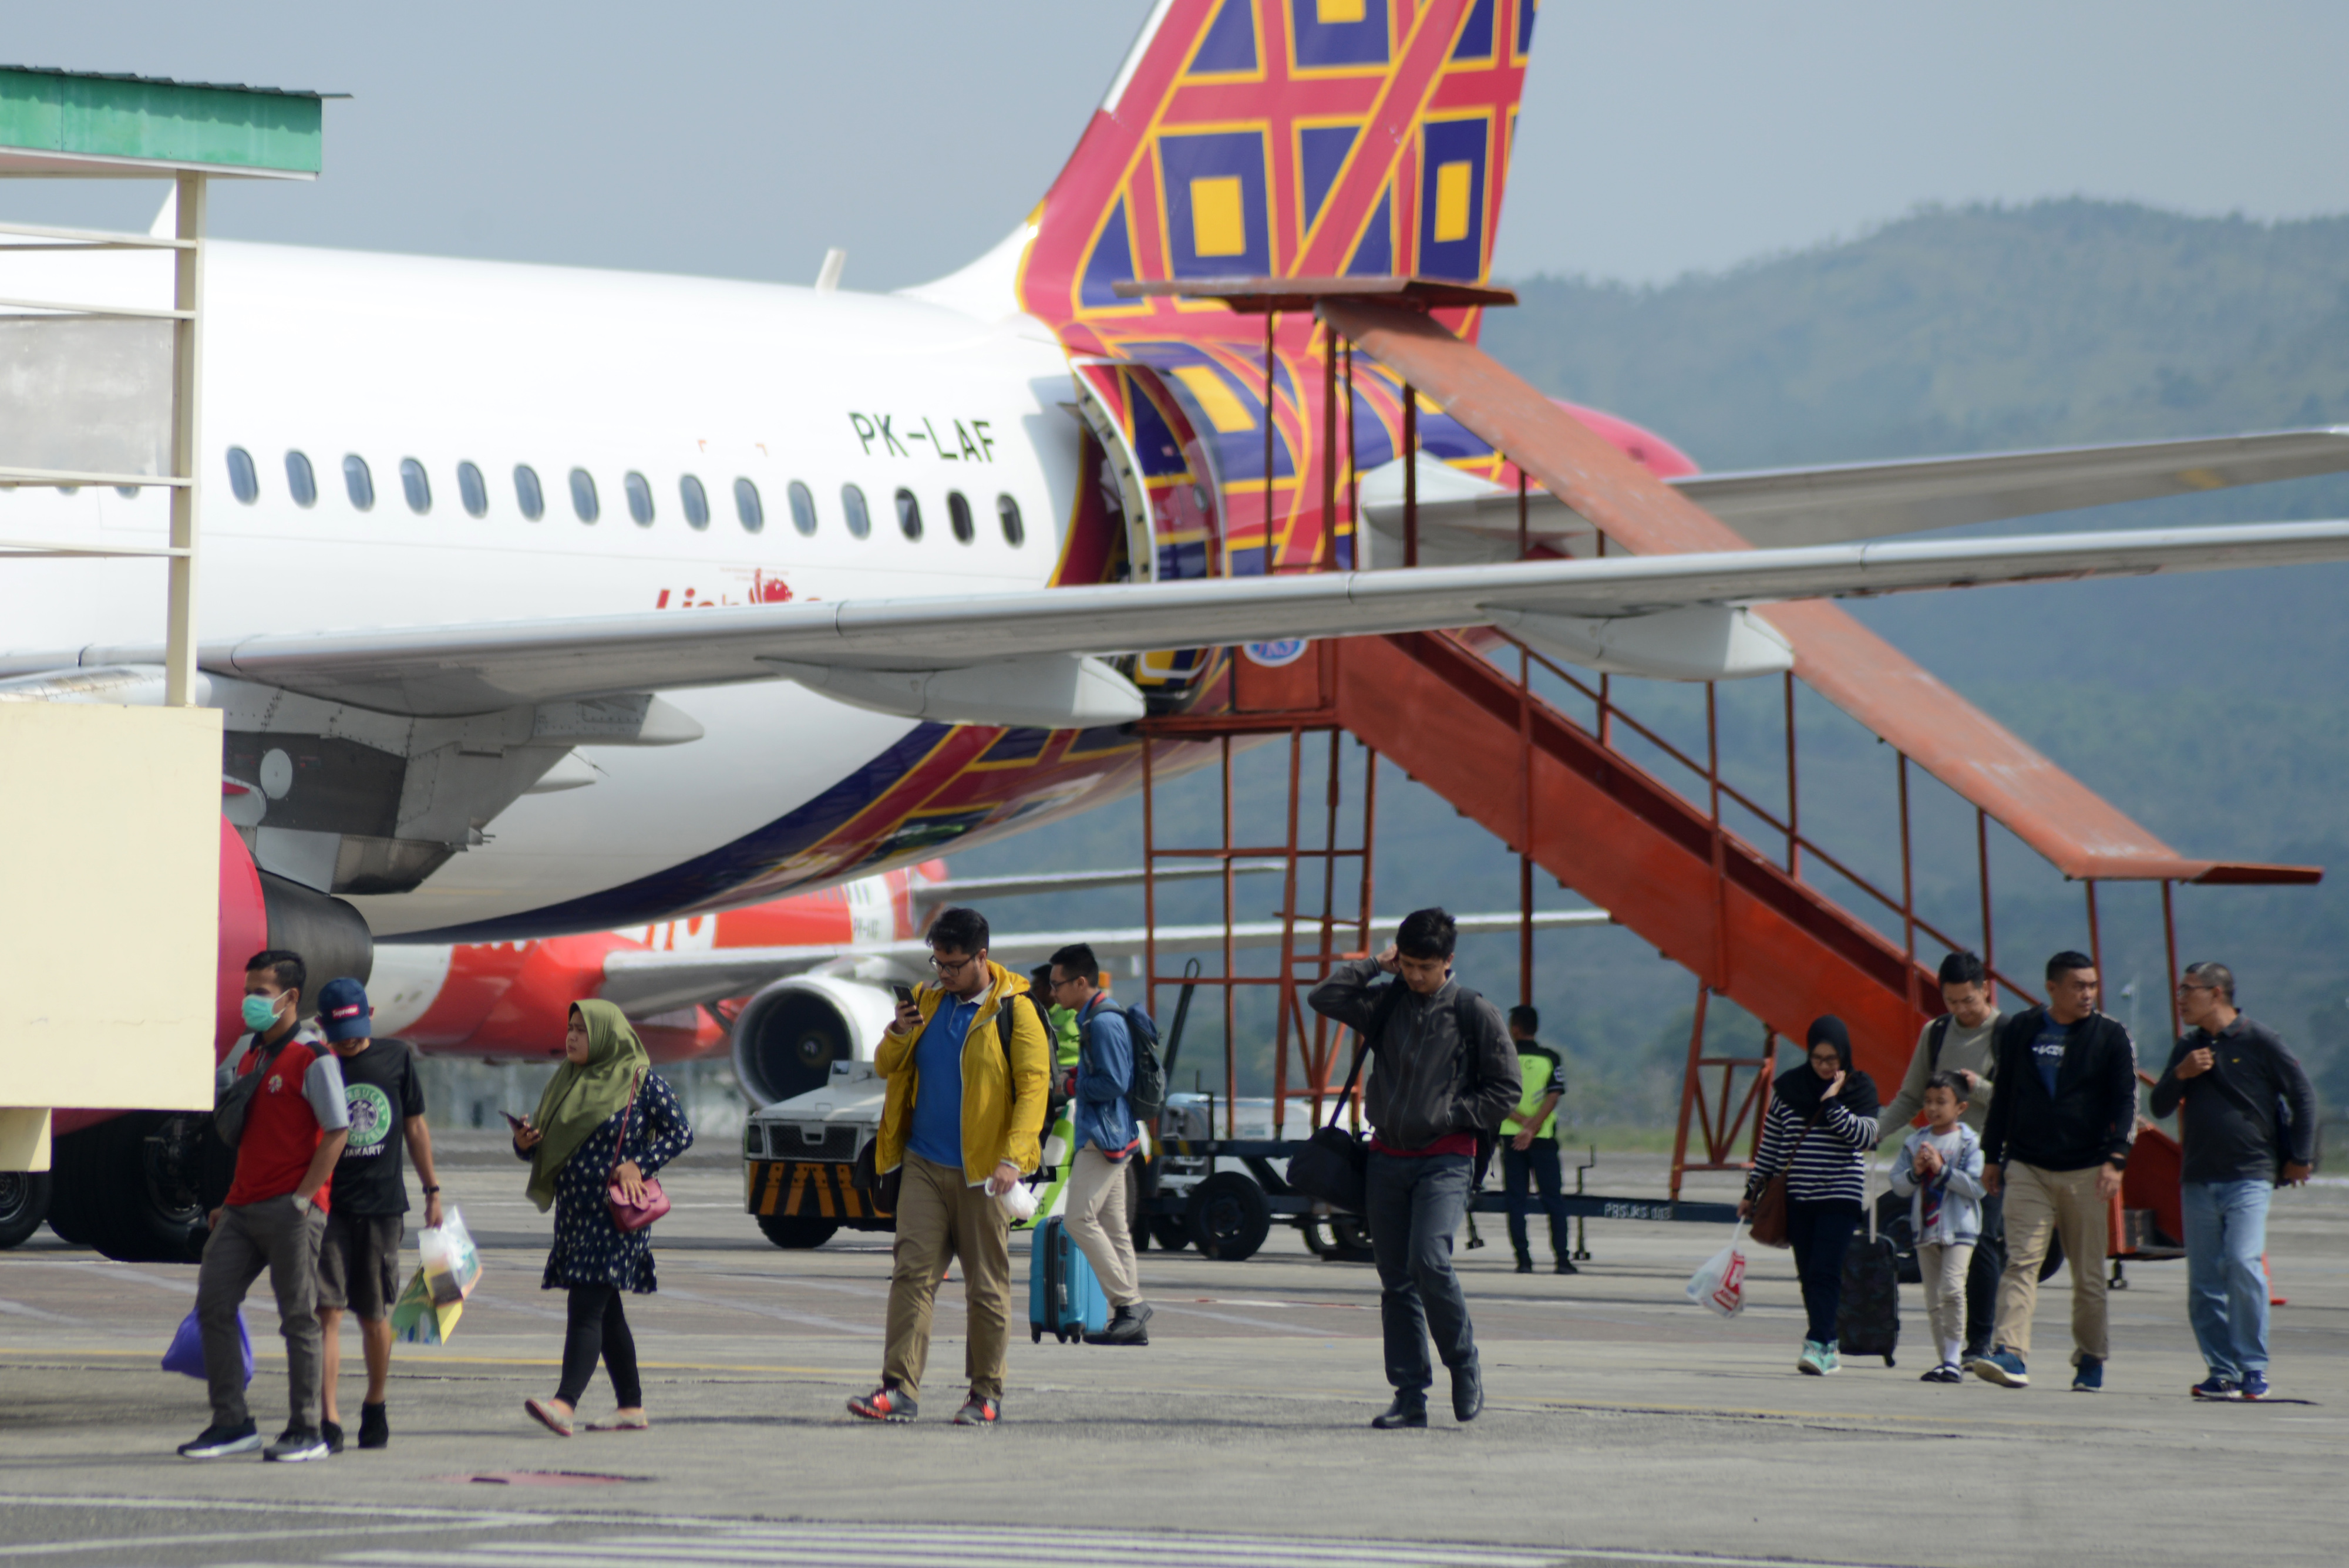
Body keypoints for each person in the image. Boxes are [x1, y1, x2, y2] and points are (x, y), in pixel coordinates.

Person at [1307, 908, 1520, 1430]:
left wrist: (1451, 1115)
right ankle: (1410, 1395)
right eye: (1407, 965)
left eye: (1426, 966)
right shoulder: (1387, 1002)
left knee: (1430, 1261)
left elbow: (1506, 1090)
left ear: (1449, 961)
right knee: (1396, 1280)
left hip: (1446, 1158)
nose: (1416, 976)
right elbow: (1324, 997)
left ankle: (1464, 1364)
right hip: (1386, 1159)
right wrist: (1372, 966)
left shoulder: (1474, 1012)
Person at [849, 906, 1049, 1426]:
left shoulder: (1016, 1010)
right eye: (936, 961)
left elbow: (1033, 1091)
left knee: (986, 1286)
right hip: (921, 1162)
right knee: (911, 1274)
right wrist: (897, 1031)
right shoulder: (925, 1001)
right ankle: (898, 1390)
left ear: (982, 957)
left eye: (954, 964)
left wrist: (1015, 1157)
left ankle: (985, 1395)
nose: (943, 973)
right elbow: (887, 1066)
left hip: (985, 1174)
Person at [179, 950, 351, 1463]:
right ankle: (232, 1422)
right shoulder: (253, 1057)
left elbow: (338, 1131)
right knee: (213, 1304)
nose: (251, 1000)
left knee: (299, 1318)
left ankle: (306, 1428)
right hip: (242, 1207)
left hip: (291, 1210)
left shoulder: (314, 1057)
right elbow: (252, 1140)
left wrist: (304, 1199)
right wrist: (228, 1203)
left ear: (290, 998)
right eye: (249, 989)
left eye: (261, 991)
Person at [512, 1000, 692, 1436]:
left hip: (616, 1217)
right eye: (569, 1028)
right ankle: (631, 1407)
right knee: (607, 1313)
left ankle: (564, 1403)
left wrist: (640, 1164)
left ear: (607, 1036)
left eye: (582, 1030)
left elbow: (681, 1132)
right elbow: (549, 1149)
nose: (572, 1037)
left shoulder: (640, 1081)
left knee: (587, 1306)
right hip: (575, 1216)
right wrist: (525, 1143)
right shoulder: (566, 1082)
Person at [2149, 961, 2316, 1401]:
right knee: (2204, 1280)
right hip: (2198, 1177)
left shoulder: (2260, 1040)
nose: (2181, 998)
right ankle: (2221, 1370)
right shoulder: (2188, 1046)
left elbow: (2301, 1093)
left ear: (2217, 994)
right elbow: (2160, 1104)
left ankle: (2253, 1367)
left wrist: (2300, 1155)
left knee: (2243, 1263)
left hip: (2250, 1174)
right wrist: (2181, 1074)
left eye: (2188, 990)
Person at [1975, 951, 2138, 1392]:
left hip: (2086, 1170)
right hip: (2027, 1166)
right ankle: (2011, 1354)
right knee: (2021, 1262)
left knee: (2087, 1275)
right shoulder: (2023, 1030)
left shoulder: (2110, 1037)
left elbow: (2126, 1101)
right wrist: (1992, 1155)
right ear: (2052, 989)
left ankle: (2090, 1356)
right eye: (2078, 986)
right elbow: (2004, 1094)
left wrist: (2117, 1158)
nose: (2088, 994)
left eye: (2092, 985)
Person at [312, 977, 443, 1453]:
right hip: (328, 1208)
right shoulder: (319, 1064)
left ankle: (375, 1403)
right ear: (324, 1025)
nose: (350, 1040)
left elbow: (414, 1127)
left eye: (356, 1027)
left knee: (373, 1314)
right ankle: (328, 1416)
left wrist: (432, 1191)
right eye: (340, 1031)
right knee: (327, 1312)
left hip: (382, 1208)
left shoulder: (396, 1058)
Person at [1876, 951, 2004, 1363]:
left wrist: (1979, 1088)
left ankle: (1980, 1343)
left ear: (1985, 989)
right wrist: (1871, 1133)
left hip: (1990, 1160)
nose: (1961, 1010)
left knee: (1982, 1241)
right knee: (1936, 1249)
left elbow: (2023, 1101)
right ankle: (1950, 1348)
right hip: (1936, 1163)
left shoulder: (2008, 1032)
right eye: (1951, 1002)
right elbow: (1911, 1096)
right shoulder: (1937, 1032)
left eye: (1968, 1000)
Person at [1738, 1017, 1880, 1376]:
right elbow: (1770, 1147)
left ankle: (1818, 1342)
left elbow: (1866, 1138)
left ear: (1844, 1055)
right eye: (1818, 1058)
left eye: (1832, 1059)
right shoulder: (1788, 1089)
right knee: (1808, 1273)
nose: (1825, 1066)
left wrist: (1832, 1105)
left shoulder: (1860, 1088)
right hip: (1798, 1197)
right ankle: (1827, 1344)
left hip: (1840, 1195)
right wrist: (1751, 1193)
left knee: (1825, 1270)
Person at [1048, 943, 1152, 1347]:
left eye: (1058, 985)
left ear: (1080, 982)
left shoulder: (1103, 1023)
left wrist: (1071, 1084)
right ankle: (1131, 1321)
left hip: (1102, 1136)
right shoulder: (1098, 1017)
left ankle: (1129, 1305)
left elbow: (1114, 1082)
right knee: (1114, 1228)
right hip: (1115, 1133)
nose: (1054, 993)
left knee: (1078, 1220)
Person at [1887, 1073, 1985, 1383]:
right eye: (1928, 1101)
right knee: (1933, 1298)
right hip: (1925, 1230)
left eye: (1941, 1102)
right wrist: (1916, 1173)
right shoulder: (1915, 1141)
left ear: (1961, 1107)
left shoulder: (1970, 1142)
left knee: (1952, 1290)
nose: (1932, 1108)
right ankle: (1945, 1360)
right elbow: (1898, 1185)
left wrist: (1942, 1170)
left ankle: (1955, 1357)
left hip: (1960, 1228)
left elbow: (1977, 1186)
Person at [1500, 1004, 1576, 1276]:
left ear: (1516, 1028)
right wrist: (1533, 1128)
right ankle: (1562, 1260)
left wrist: (1522, 1126)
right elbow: (1554, 1095)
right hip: (1543, 1139)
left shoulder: (1503, 1057)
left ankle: (1524, 1260)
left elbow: (1499, 1097)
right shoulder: (1551, 1058)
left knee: (1516, 1201)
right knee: (1553, 1200)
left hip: (1511, 1138)